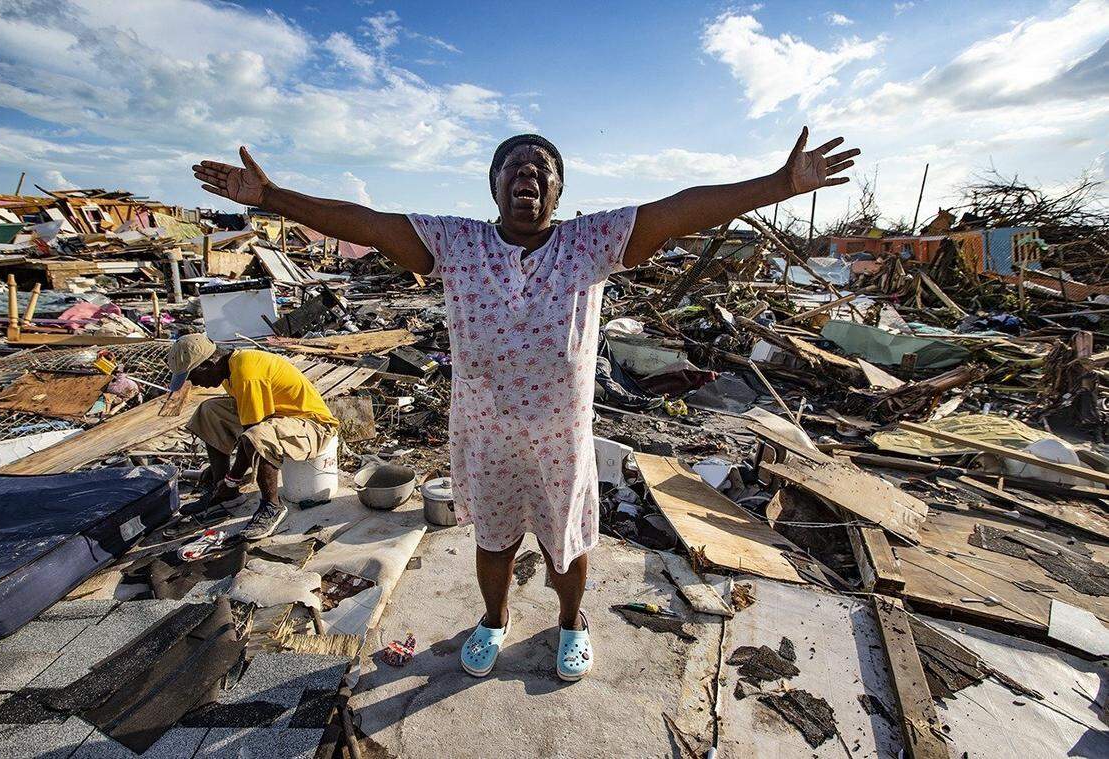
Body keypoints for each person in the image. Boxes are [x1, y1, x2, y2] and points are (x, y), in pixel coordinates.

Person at [192, 126, 858, 680]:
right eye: (514, 166)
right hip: (484, 434)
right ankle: (494, 619)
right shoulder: (457, 244)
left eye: (542, 169)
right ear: (494, 186)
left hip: (560, 437)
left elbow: (677, 209)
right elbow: (364, 221)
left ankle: (571, 622)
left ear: (559, 191)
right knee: (494, 540)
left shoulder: (589, 243)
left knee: (566, 545)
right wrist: (274, 196)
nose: (527, 175)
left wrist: (778, 184)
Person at [167, 334, 339, 540]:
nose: (194, 383)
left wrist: (233, 478)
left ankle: (271, 506)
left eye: (193, 376)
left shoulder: (247, 374)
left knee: (257, 436)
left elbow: (252, 436)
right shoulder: (228, 369)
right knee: (209, 411)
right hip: (279, 414)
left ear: (209, 363)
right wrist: (224, 478)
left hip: (313, 425)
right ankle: (226, 495)